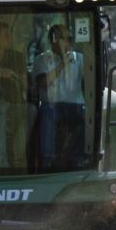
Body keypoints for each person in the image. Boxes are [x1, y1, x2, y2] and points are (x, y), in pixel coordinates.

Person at [33, 24, 85, 169]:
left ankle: (78, 158)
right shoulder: (42, 60)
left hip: (75, 106)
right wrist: (62, 64)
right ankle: (47, 160)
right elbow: (43, 82)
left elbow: (92, 79)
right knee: (47, 112)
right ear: (53, 40)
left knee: (88, 116)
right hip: (52, 105)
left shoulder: (80, 59)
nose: (66, 42)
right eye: (62, 38)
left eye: (69, 38)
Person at [0, 22, 28, 169]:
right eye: (5, 35)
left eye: (10, 35)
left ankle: (17, 158)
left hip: (16, 105)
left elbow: (26, 85)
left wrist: (13, 75)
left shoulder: (18, 57)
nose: (9, 38)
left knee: (32, 111)